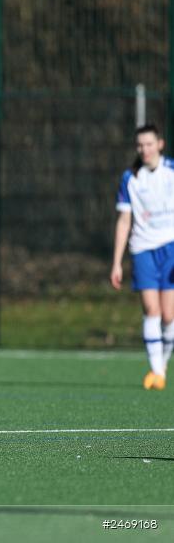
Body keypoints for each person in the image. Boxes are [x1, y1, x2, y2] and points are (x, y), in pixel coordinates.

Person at [111, 124, 174, 390]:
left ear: (159, 144)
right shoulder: (130, 177)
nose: (144, 149)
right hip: (142, 249)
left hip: (170, 247)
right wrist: (116, 262)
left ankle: (162, 363)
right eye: (140, 145)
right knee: (152, 310)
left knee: (169, 316)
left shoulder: (172, 171)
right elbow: (125, 220)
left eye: (149, 144)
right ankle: (157, 371)